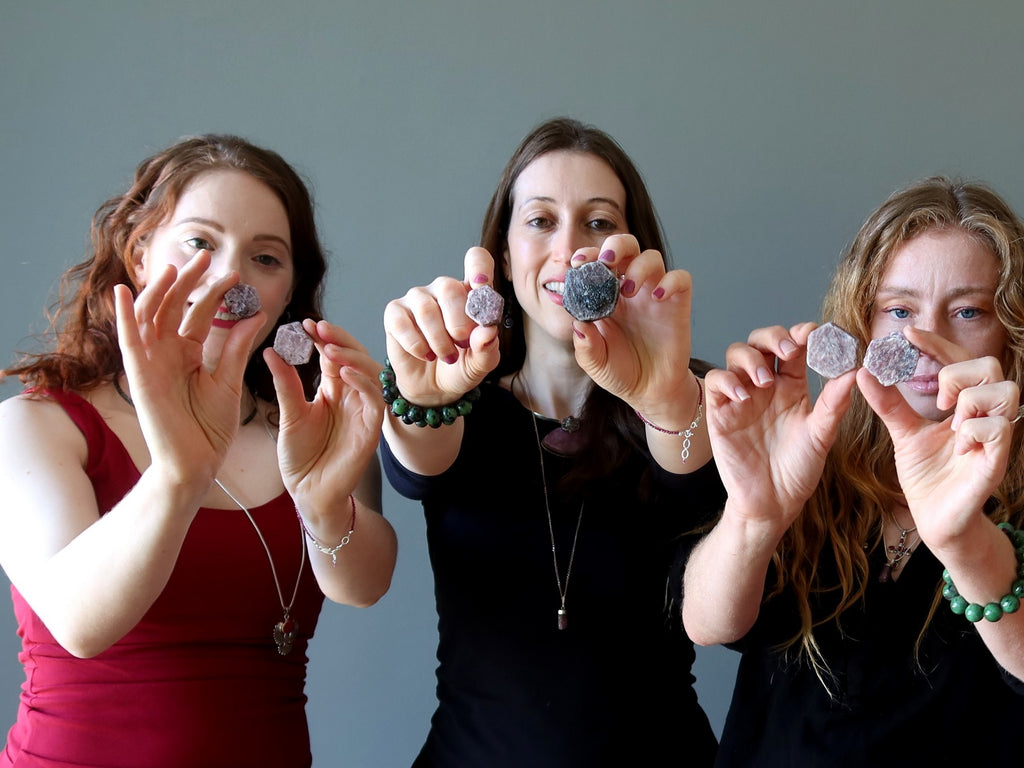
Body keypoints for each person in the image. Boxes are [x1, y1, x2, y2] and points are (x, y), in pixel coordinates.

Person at [0, 134, 398, 767]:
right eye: (200, 243)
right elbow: (78, 625)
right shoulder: (36, 426)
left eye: (265, 258)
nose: (229, 277)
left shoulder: (308, 427)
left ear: (289, 289)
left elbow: (363, 587)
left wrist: (324, 506)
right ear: (138, 253)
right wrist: (181, 473)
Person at [381, 117, 724, 767]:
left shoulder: (686, 401)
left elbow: (693, 476)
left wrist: (665, 400)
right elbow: (417, 462)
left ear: (630, 255)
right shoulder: (458, 399)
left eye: (597, 223)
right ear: (506, 258)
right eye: (541, 221)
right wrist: (422, 400)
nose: (570, 249)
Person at [682, 177, 1024, 765]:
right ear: (861, 322)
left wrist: (962, 537)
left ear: (1010, 331)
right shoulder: (813, 469)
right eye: (898, 309)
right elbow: (708, 624)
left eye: (967, 311)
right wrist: (754, 513)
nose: (924, 338)